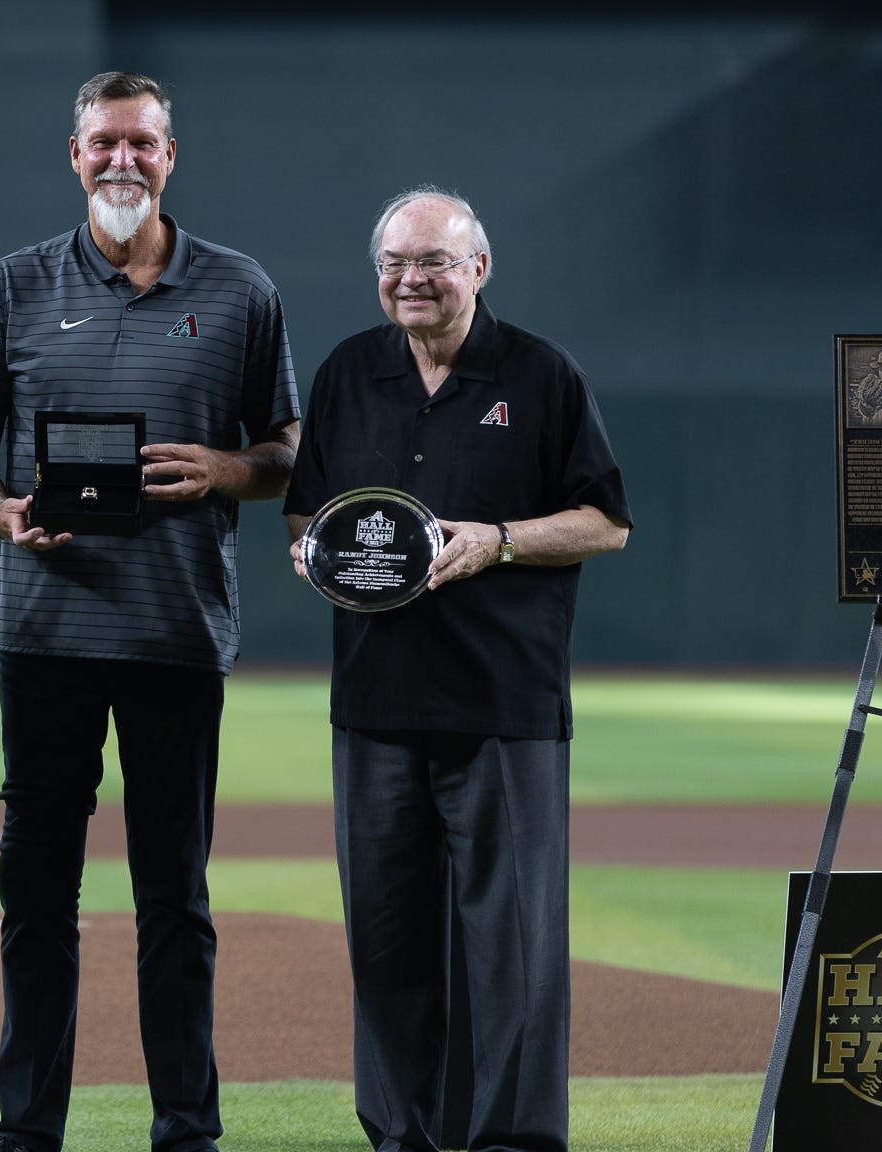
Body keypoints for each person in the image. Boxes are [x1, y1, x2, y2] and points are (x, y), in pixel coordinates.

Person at [0, 71, 300, 1152]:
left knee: (173, 905)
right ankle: (27, 1132)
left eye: (142, 143)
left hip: (176, 637)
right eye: (104, 142)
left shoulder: (239, 290)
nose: (122, 161)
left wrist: (224, 470)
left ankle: (185, 1129)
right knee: (37, 903)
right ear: (74, 154)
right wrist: (1, 513)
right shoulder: (9, 287)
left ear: (169, 156)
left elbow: (285, 456)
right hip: (45, 636)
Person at [283, 186, 630, 1152]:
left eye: (432, 261)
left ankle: (513, 1139)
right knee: (386, 939)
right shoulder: (349, 372)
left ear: (478, 268)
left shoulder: (540, 374)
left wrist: (501, 542)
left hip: (501, 701)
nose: (410, 279)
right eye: (394, 263)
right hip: (375, 700)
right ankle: (402, 1134)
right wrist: (321, 558)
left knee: (510, 944)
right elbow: (304, 520)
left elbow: (606, 522)